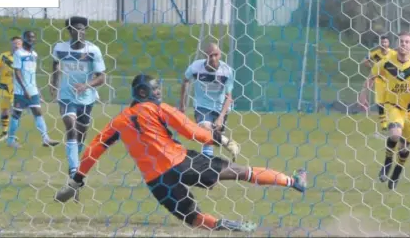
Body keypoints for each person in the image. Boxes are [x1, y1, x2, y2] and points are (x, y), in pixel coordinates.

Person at [55, 74, 307, 233]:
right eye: (155, 89)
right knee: (240, 172)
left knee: (193, 218)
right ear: (142, 93)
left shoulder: (117, 122)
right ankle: (294, 181)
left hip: (156, 180)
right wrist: (222, 139)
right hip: (183, 162)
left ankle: (238, 228)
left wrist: (76, 181)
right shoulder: (158, 109)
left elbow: (93, 150)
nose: (159, 92)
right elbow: (191, 131)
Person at [368, 33, 410, 190]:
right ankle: (388, 162)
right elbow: (372, 75)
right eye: (401, 41)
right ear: (397, 44)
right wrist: (363, 93)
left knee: (404, 147)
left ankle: (397, 172)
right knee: (395, 134)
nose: (403, 44)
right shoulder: (386, 63)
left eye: (407, 42)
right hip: (394, 106)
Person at [50, 16, 106, 178]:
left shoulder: (93, 50)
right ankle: (74, 169)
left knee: (81, 132)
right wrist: (53, 83)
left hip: (86, 97)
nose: (80, 32)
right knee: (71, 127)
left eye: (83, 29)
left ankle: (75, 155)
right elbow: (55, 64)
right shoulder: (60, 48)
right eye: (76, 29)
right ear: (70, 31)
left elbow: (102, 78)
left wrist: (86, 85)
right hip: (66, 96)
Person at [178, 43, 235, 158]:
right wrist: (182, 104)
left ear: (220, 55)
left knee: (212, 138)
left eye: (216, 55)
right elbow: (185, 81)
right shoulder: (196, 67)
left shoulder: (227, 71)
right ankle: (210, 162)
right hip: (202, 106)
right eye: (210, 55)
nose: (213, 58)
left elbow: (229, 97)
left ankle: (210, 162)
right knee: (205, 130)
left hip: (220, 108)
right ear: (205, 56)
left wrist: (221, 117)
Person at [6, 31, 59, 148]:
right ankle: (10, 140)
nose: (32, 39)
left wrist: (37, 89)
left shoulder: (34, 54)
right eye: (29, 37)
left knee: (38, 112)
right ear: (24, 39)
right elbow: (17, 71)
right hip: (21, 91)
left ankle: (46, 138)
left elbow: (32, 74)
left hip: (33, 90)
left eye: (33, 37)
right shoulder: (19, 54)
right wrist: (25, 89)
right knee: (16, 114)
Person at [360, 36, 396, 133]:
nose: (384, 44)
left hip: (390, 80)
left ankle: (392, 121)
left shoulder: (393, 54)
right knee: (380, 102)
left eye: (385, 42)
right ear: (379, 43)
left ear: (388, 44)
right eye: (382, 42)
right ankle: (383, 124)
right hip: (379, 81)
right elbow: (364, 61)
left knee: (391, 101)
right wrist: (373, 67)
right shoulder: (376, 54)